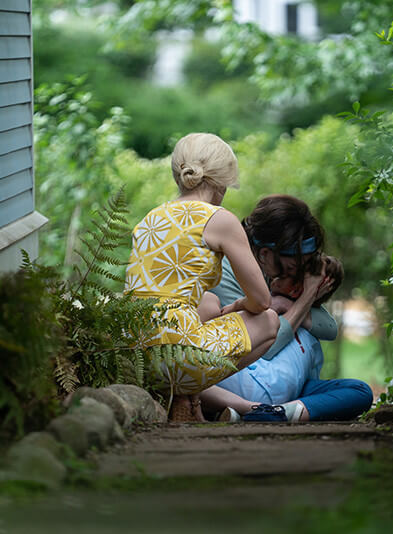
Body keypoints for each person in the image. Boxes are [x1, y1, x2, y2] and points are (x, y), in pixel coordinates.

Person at [123, 133, 280, 421]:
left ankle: (182, 401)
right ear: (223, 181)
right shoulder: (219, 219)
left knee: (207, 301)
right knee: (269, 321)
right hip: (175, 358)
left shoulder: (150, 218)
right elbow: (261, 300)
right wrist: (235, 307)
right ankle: (186, 393)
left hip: (131, 355)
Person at [211, 255, 374, 422]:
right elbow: (267, 351)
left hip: (289, 388)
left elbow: (331, 329)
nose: (274, 276)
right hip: (259, 381)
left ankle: (274, 412)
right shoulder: (265, 305)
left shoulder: (303, 315)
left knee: (361, 390)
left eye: (284, 274)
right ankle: (280, 413)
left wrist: (291, 302)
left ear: (296, 290)